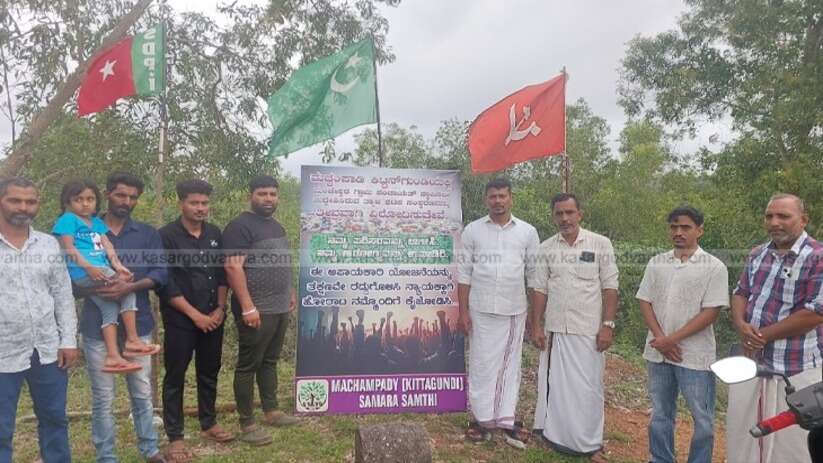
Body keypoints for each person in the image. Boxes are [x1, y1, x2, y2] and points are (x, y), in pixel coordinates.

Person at [75, 172, 168, 463]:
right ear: (108, 194)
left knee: (141, 393)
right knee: (103, 398)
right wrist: (100, 287)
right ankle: (106, 456)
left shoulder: (147, 234)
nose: (126, 201)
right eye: (120, 195)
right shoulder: (82, 229)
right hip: (96, 326)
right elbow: (66, 279)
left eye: (132, 197)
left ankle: (150, 450)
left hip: (137, 327)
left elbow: (161, 273)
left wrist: (130, 286)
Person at [727, 193, 823, 463]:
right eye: (769, 216)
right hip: (753, 364)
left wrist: (760, 336)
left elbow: (816, 313)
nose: (774, 222)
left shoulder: (817, 257)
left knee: (793, 448)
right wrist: (740, 324)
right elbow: (740, 292)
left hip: (797, 370)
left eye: (783, 216)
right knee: (744, 440)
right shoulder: (759, 253)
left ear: (803, 220)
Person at [636, 206, 729, 463]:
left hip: (695, 355)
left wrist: (671, 340)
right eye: (674, 227)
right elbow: (645, 301)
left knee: (703, 418)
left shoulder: (714, 267)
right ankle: (661, 458)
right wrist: (661, 339)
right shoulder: (657, 262)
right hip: (658, 352)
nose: (678, 232)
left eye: (685, 227)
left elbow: (711, 311)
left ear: (699, 230)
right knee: (661, 413)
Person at [531, 193, 618, 463]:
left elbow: (610, 287)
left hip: (588, 330)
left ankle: (591, 444)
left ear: (580, 213)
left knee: (589, 387)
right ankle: (555, 437)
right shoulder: (546, 248)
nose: (565, 218)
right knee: (555, 386)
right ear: (553, 216)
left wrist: (607, 325)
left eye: (570, 212)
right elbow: (539, 289)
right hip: (556, 329)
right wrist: (536, 325)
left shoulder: (600, 244)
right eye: (559, 214)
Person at [457, 177, 539, 448]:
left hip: (513, 309)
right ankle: (480, 420)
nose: (498, 201)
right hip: (480, 309)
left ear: (511, 198)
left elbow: (534, 276)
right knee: (481, 364)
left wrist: (535, 320)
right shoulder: (473, 230)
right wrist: (463, 312)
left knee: (509, 367)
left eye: (503, 196)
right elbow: (464, 274)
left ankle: (505, 419)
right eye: (493, 196)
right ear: (486, 200)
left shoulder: (527, 232)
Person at [0, 177, 78, 463]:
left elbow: (62, 294)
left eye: (30, 201)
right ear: (1, 201)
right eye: (15, 200)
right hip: (3, 352)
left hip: (47, 350)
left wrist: (68, 340)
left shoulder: (48, 244)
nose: (23, 207)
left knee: (55, 419)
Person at [53, 178, 160, 375]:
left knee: (110, 309)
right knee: (127, 288)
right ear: (67, 202)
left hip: (100, 269)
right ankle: (133, 340)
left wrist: (118, 266)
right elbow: (68, 248)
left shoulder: (95, 223)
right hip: (84, 272)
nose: (85, 203)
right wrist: (89, 267)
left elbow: (108, 246)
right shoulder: (68, 220)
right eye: (79, 199)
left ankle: (113, 356)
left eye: (90, 199)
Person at [159, 179, 233, 461]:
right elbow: (165, 284)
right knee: (175, 376)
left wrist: (220, 309)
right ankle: (175, 436)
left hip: (213, 317)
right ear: (181, 203)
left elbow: (223, 274)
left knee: (209, 371)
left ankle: (209, 422)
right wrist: (195, 315)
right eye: (195, 203)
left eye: (204, 203)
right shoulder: (166, 236)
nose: (201, 208)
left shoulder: (214, 233)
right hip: (181, 319)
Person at [223, 175, 298, 446]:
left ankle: (272, 410)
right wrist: (247, 306)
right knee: (248, 365)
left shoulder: (276, 226)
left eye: (273, 194)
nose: (268, 199)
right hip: (256, 309)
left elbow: (283, 262)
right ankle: (247, 423)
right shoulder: (239, 226)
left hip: (279, 307)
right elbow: (233, 267)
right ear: (250, 195)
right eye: (262, 193)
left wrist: (290, 290)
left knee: (270, 360)